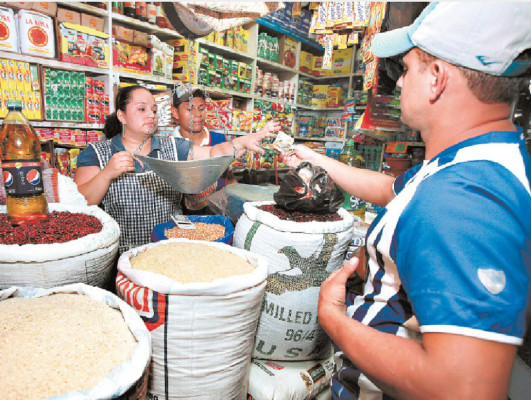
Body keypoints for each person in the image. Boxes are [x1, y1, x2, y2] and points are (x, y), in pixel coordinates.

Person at [282, 3, 531, 399]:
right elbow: (390, 189)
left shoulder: (463, 197)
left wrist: (333, 317)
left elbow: (464, 387)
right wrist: (313, 157)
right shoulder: (467, 160)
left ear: (437, 78)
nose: (398, 84)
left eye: (408, 68)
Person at [75, 85, 277, 254]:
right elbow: (81, 203)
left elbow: (212, 153)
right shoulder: (98, 152)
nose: (151, 116)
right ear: (122, 116)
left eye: (154, 110)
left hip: (170, 247)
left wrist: (245, 141)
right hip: (125, 252)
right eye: (142, 109)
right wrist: (107, 174)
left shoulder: (172, 146)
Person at [171, 89, 279, 213]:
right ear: (175, 112)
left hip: (217, 215)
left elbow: (228, 177)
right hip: (181, 217)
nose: (197, 114)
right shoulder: (170, 145)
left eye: (201, 108)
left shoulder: (220, 140)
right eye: (190, 109)